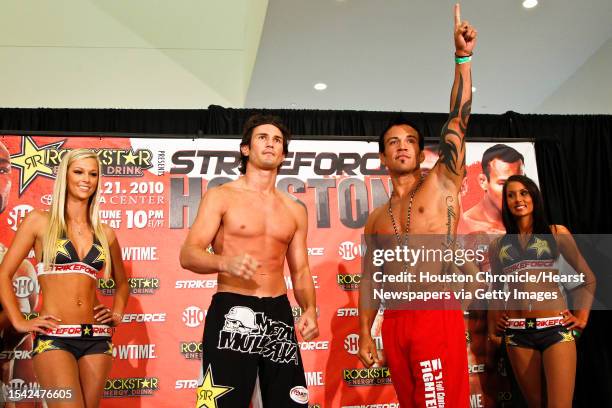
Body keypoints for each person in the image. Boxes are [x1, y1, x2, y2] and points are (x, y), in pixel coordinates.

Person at [357, 4, 476, 407]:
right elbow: (371, 278)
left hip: (435, 312)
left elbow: (458, 120)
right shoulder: (376, 218)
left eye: (410, 140)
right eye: (393, 142)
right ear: (382, 158)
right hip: (394, 320)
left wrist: (462, 58)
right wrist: (363, 329)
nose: (402, 146)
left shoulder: (443, 181)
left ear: (423, 153)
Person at [180, 114, 319, 407]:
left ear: (284, 154)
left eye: (277, 140)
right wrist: (224, 263)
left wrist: (310, 308)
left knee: (289, 403)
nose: (270, 144)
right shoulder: (221, 196)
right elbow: (188, 254)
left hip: (278, 313)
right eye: (262, 137)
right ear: (246, 149)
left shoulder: (294, 209)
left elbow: (301, 269)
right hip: (233, 308)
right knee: (223, 403)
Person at [0, 148, 129, 408]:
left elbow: (122, 283)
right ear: (65, 176)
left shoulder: (105, 232)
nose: (86, 179)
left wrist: (116, 313)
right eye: (79, 171)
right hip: (55, 338)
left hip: (97, 339)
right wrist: (19, 320)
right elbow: (3, 273)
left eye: (93, 174)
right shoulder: (38, 221)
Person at [488, 175, 595, 407]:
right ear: (505, 202)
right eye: (511, 195)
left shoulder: (556, 233)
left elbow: (588, 278)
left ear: (534, 196)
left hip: (555, 330)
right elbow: (495, 290)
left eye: (524, 192)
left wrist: (582, 317)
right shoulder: (497, 245)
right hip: (517, 335)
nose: (518, 199)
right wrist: (493, 326)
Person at [460, 144, 524, 234]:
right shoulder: (463, 227)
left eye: (520, 182)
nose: (514, 191)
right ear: (483, 181)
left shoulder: (528, 222)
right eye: (503, 183)